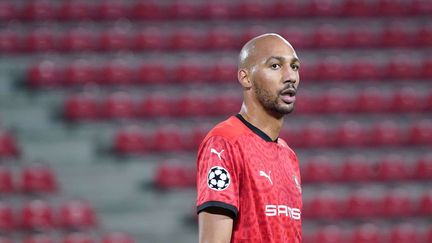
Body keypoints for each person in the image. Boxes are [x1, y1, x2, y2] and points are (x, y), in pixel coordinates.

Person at [196, 33, 302, 243]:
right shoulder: (225, 142)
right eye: (275, 66)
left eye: (295, 66)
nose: (290, 76)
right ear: (245, 77)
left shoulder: (289, 156)